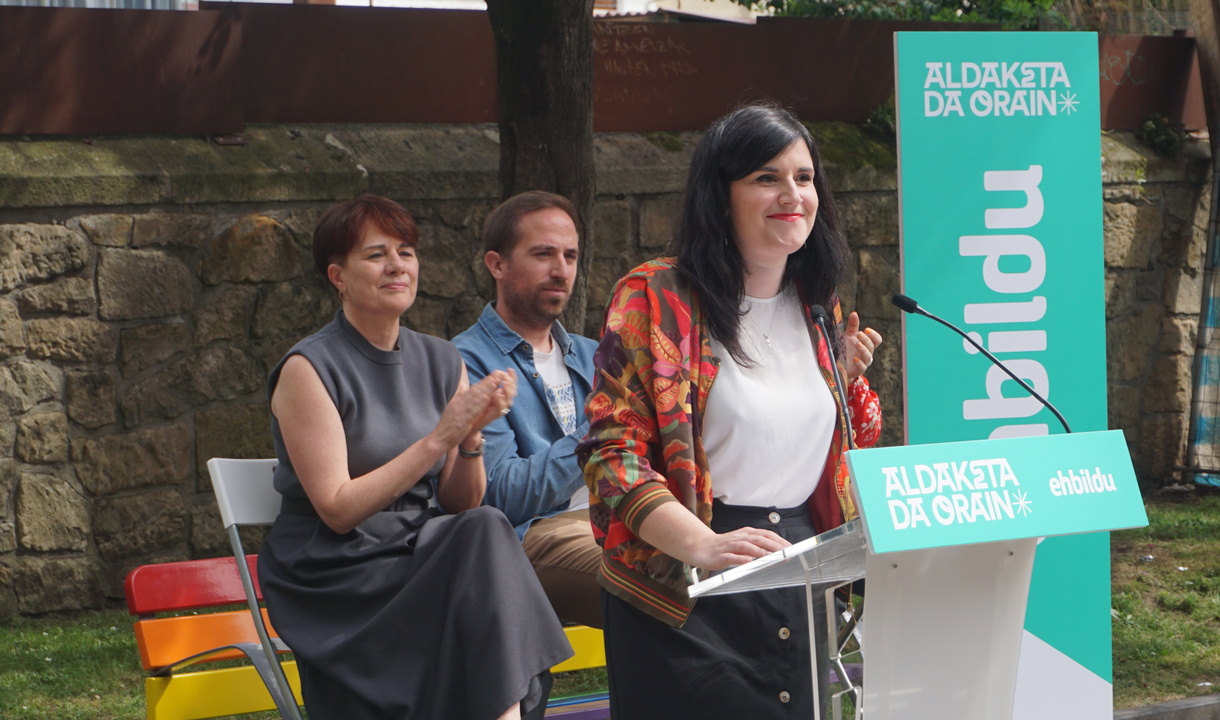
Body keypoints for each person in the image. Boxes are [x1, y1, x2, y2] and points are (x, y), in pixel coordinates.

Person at [579, 103, 884, 719]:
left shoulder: (817, 301)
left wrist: (847, 383)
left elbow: (839, 445)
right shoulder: (655, 295)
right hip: (686, 578)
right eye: (767, 178)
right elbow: (612, 456)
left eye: (804, 177)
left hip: (799, 568)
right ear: (720, 196)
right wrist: (704, 545)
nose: (792, 194)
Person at [257, 194, 572, 720]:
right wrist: (438, 439)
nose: (397, 265)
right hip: (340, 570)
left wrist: (470, 437)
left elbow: (462, 503)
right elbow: (336, 509)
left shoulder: (441, 357)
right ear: (338, 276)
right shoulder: (308, 368)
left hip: (417, 552)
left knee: (484, 525)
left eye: (405, 252)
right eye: (375, 254)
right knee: (481, 548)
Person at [452, 191, 603, 629]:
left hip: (618, 520)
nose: (561, 270)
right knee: (663, 580)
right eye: (543, 254)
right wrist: (600, 428)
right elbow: (501, 497)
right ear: (496, 265)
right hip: (530, 537)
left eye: (570, 256)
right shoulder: (465, 362)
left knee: (731, 568)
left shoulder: (594, 356)